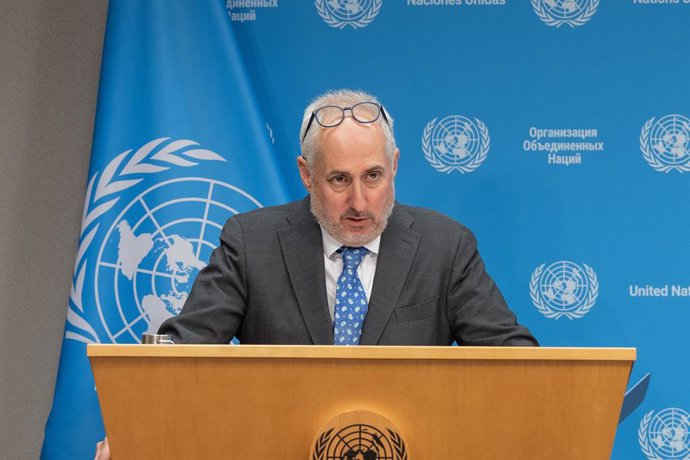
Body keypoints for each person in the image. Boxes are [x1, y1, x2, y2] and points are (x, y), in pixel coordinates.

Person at [157, 89, 537, 347]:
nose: (359, 202)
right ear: (307, 174)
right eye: (339, 179)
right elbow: (182, 350)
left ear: (394, 165)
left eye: (373, 176)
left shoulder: (445, 248)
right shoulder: (251, 244)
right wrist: (132, 425)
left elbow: (514, 359)